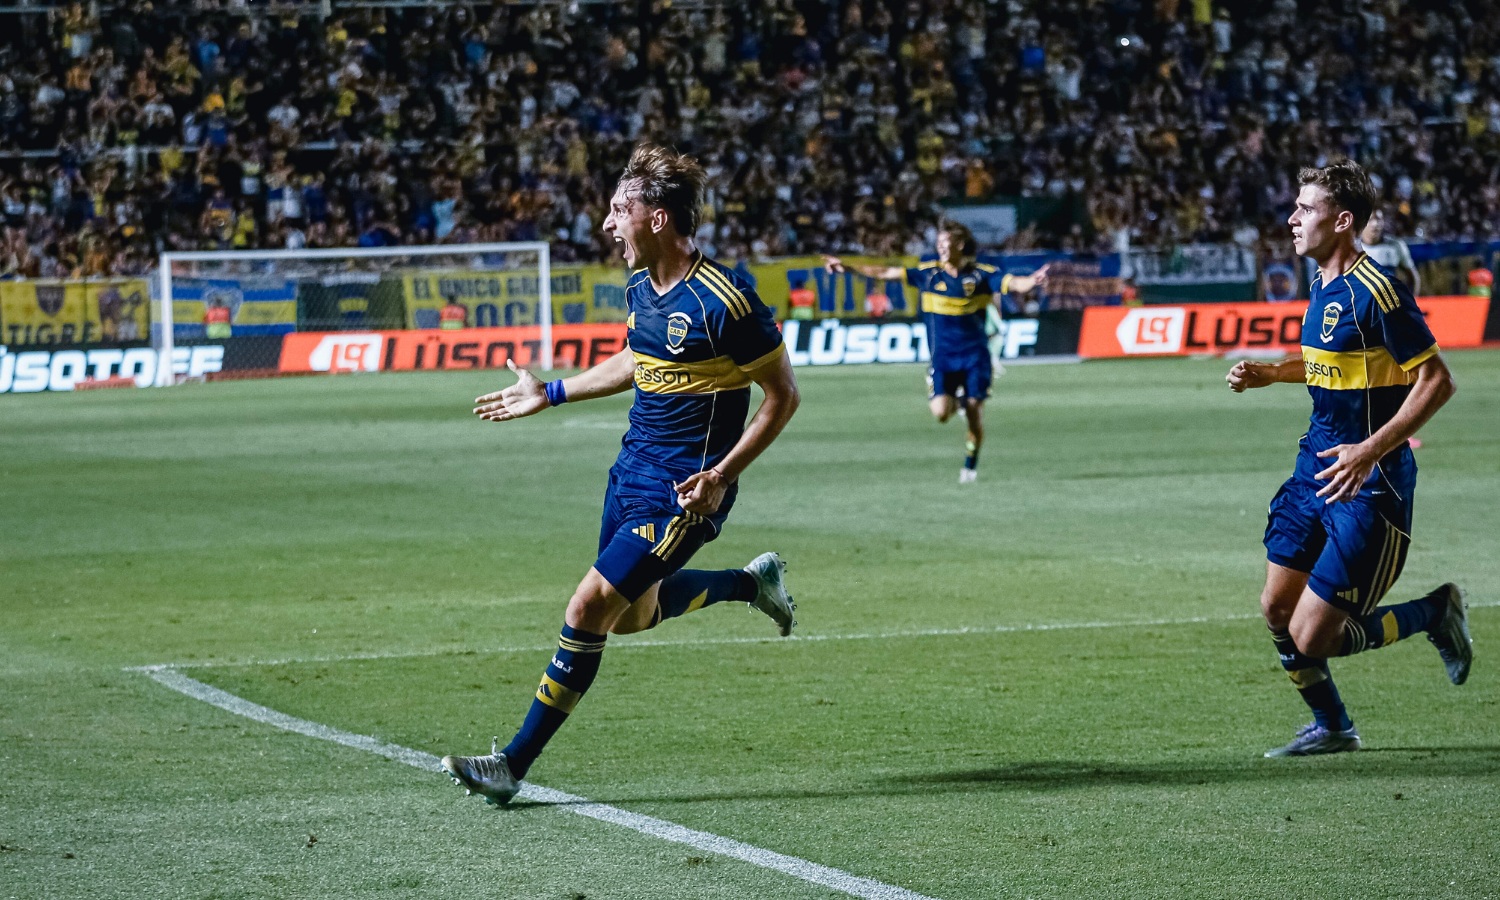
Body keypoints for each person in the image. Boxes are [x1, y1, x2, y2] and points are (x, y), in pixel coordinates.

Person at [441, 143, 801, 805]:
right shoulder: (643, 287)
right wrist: (550, 392)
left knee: (587, 608)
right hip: (630, 472)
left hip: (683, 494)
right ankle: (752, 586)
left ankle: (511, 766)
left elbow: (783, 396)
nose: (607, 223)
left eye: (618, 209)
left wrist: (720, 476)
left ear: (656, 218)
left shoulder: (728, 301)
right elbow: (636, 361)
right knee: (633, 618)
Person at [1226, 159, 1470, 758]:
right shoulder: (1322, 284)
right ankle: (1334, 726)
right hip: (1316, 466)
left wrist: (1368, 449)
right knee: (1277, 607)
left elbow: (1437, 381)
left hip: (1370, 482)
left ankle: (1436, 612)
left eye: (1305, 209)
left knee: (1315, 635)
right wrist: (1272, 374)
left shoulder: (1378, 290)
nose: (1292, 218)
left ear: (1341, 221)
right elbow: (1327, 365)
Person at [823, 222, 1046, 483]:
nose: (940, 248)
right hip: (943, 358)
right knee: (941, 414)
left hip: (975, 356)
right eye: (938, 244)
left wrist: (1032, 280)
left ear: (959, 245)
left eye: (945, 244)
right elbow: (885, 272)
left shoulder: (982, 275)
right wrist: (848, 267)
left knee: (974, 413)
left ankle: (970, 465)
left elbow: (1014, 283)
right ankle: (949, 394)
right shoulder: (929, 275)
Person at [1359, 208, 1420, 297]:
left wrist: (1411, 302)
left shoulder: (1396, 245)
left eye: (1378, 219)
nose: (1375, 224)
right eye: (1370, 219)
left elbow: (1413, 277)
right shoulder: (1350, 248)